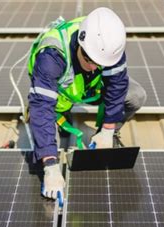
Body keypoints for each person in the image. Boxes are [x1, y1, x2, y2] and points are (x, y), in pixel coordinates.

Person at [27, 7, 147, 200]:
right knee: (47, 146)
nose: (94, 67)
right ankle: (53, 134)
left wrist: (108, 129)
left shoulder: (110, 46)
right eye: (89, 60)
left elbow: (117, 86)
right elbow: (42, 106)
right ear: (80, 45)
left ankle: (106, 135)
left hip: (90, 89)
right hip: (55, 98)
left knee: (135, 96)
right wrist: (50, 164)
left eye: (101, 64)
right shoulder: (52, 55)